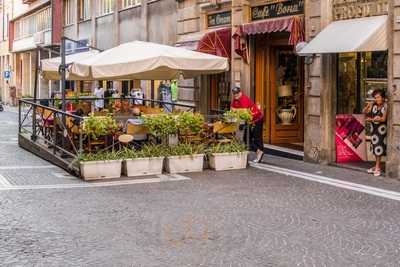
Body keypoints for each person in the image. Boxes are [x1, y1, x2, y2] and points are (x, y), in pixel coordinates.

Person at [231, 87, 264, 163]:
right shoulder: (235, 100)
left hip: (257, 119)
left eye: (237, 93)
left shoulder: (244, 99)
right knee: (246, 139)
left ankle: (260, 153)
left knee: (257, 137)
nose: (235, 95)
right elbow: (232, 110)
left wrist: (237, 113)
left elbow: (244, 113)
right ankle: (258, 151)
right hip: (249, 120)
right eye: (234, 94)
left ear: (240, 92)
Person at [363, 89, 387, 177]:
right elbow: (364, 112)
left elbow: (384, 119)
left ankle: (377, 167)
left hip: (381, 131)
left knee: (378, 149)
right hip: (374, 130)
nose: (377, 99)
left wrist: (372, 119)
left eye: (378, 97)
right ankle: (376, 166)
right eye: (375, 98)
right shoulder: (374, 105)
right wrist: (368, 106)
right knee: (375, 149)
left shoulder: (385, 106)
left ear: (383, 98)